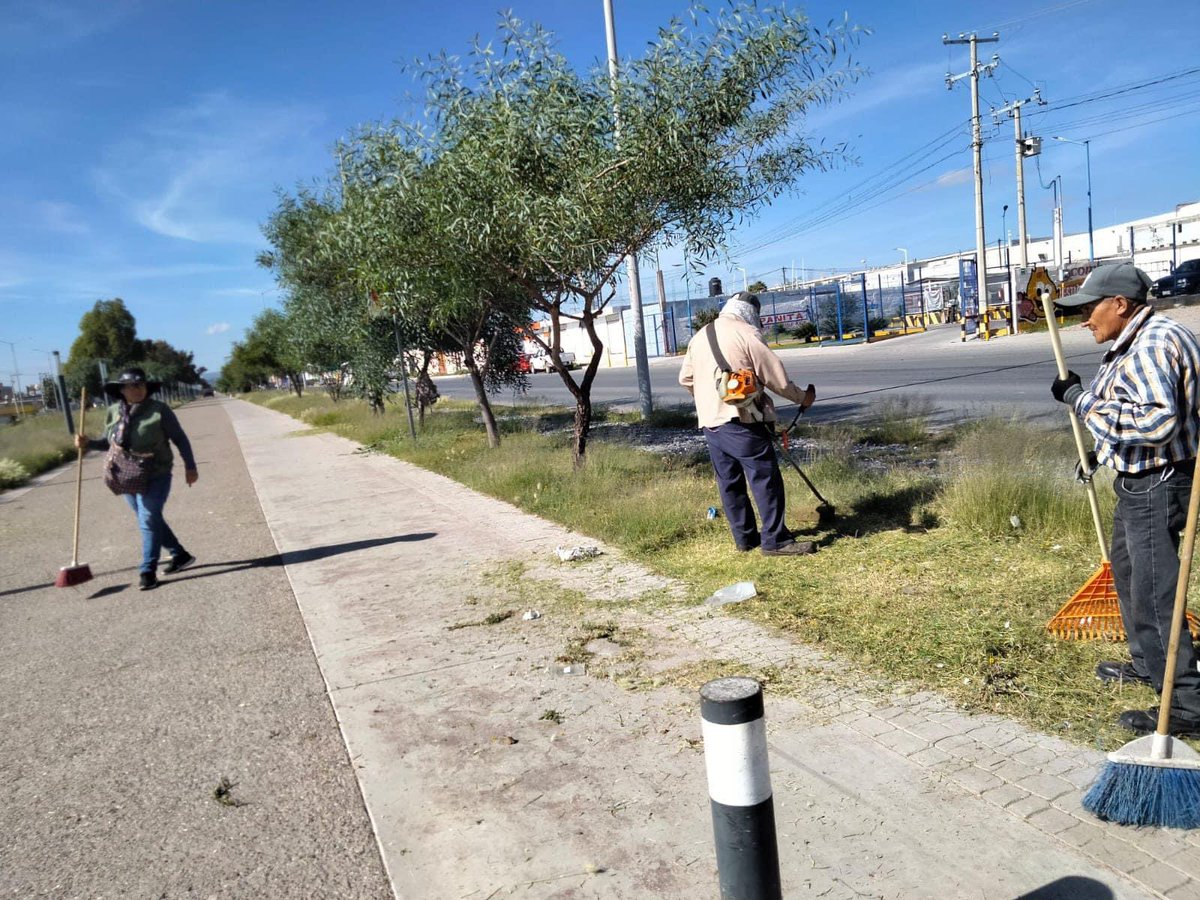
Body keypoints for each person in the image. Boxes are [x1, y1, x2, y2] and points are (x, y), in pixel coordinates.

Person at [1050, 262, 1200, 737]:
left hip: (1159, 481)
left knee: (1154, 593)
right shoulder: (1135, 340)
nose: (1083, 320)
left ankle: (1186, 705)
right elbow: (1132, 408)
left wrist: (1080, 400)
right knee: (1130, 574)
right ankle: (1147, 662)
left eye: (1089, 309)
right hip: (1141, 479)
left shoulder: (1152, 344)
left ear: (1119, 303)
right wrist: (1102, 451)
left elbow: (1157, 423)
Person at [680, 291, 817, 557]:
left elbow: (685, 379)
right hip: (742, 421)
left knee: (729, 482)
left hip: (711, 424)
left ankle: (745, 539)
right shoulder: (746, 333)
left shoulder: (700, 336)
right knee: (765, 478)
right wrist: (803, 398)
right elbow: (776, 378)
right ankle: (776, 541)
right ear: (751, 312)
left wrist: (711, 400)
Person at [76, 367, 199, 591]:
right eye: (132, 386)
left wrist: (190, 466)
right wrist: (87, 443)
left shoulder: (159, 410)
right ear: (122, 390)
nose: (137, 389)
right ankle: (180, 555)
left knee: (148, 518)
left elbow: (180, 438)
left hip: (157, 473)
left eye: (141, 384)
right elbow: (108, 442)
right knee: (150, 519)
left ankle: (147, 571)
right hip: (126, 474)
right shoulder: (114, 411)